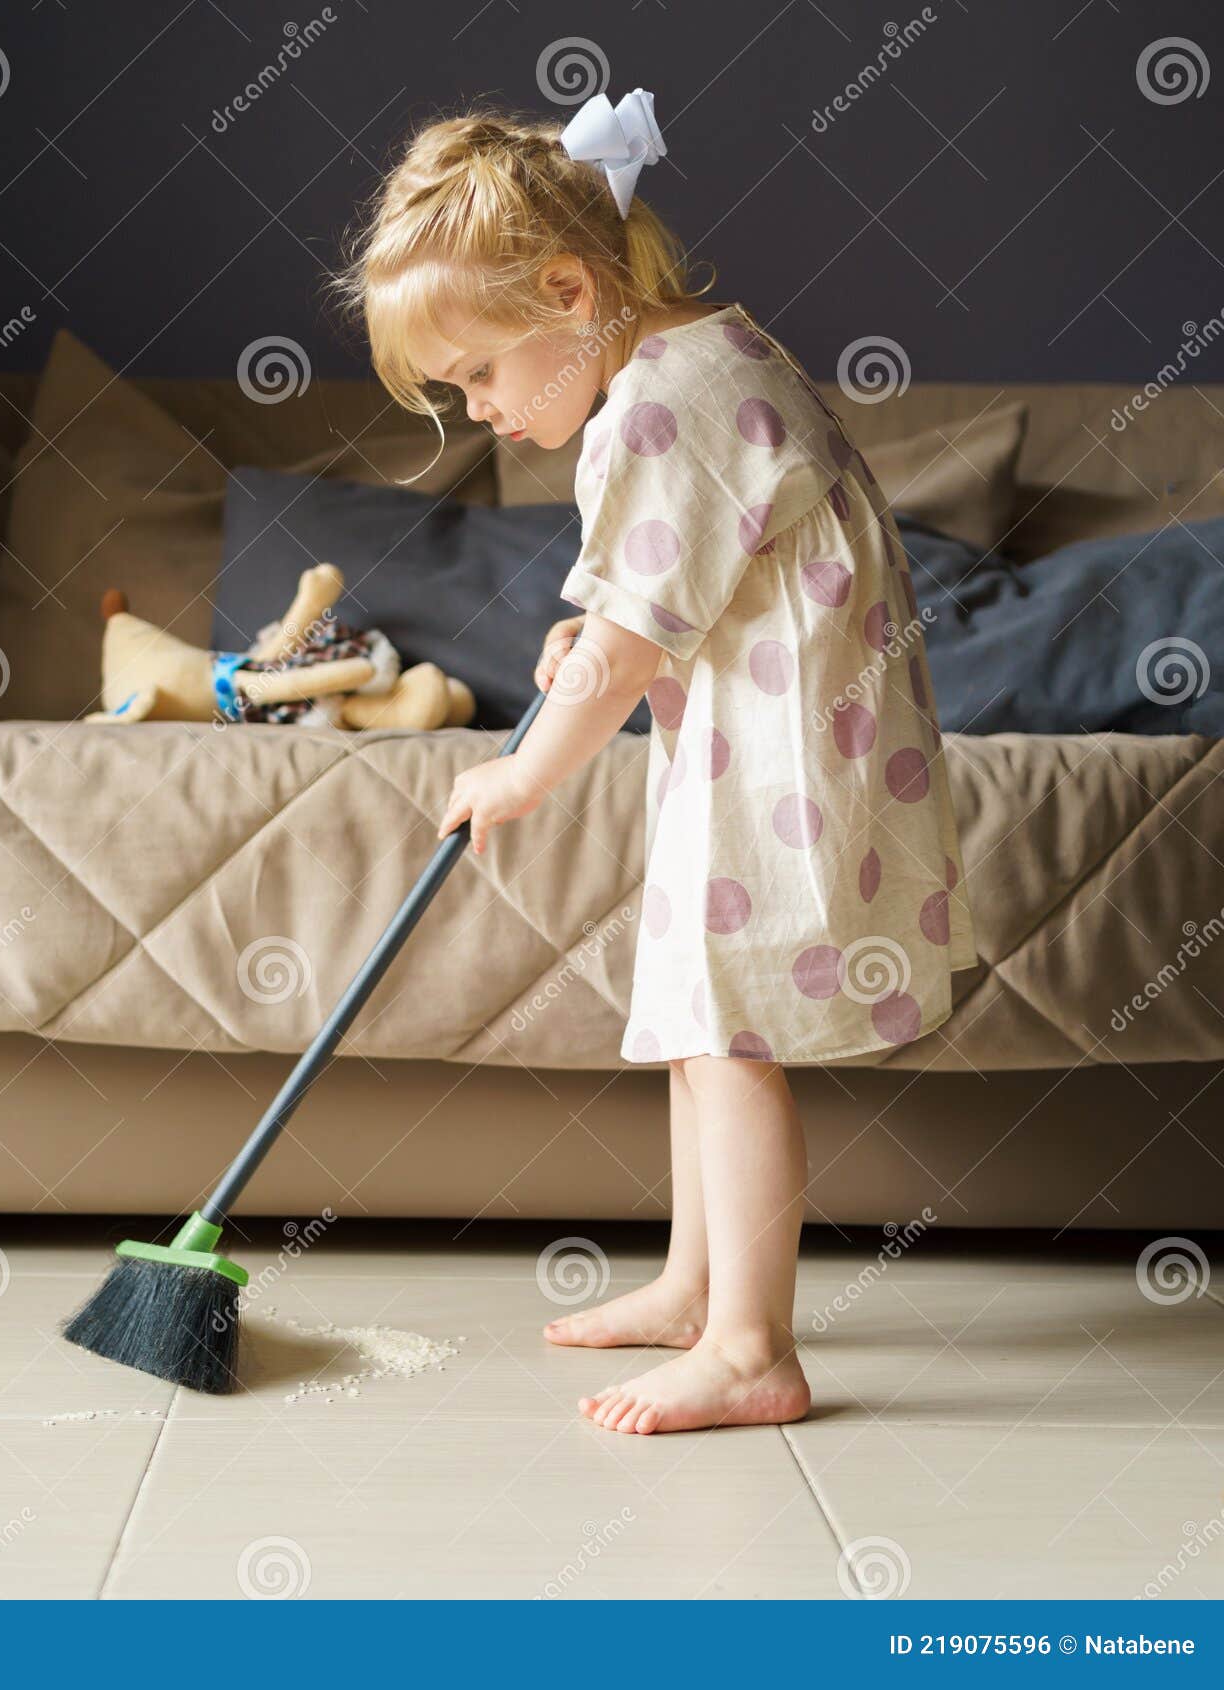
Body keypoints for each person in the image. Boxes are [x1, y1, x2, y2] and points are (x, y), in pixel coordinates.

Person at [329, 94, 975, 1434]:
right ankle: (698, 1284)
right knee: (698, 1018)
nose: (480, 408)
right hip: (770, 740)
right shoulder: (707, 358)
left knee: (727, 1032)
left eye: (481, 374)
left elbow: (631, 653)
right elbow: (697, 575)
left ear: (570, 290)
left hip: (775, 761)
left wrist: (521, 776)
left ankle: (752, 1346)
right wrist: (608, 620)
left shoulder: (650, 413)